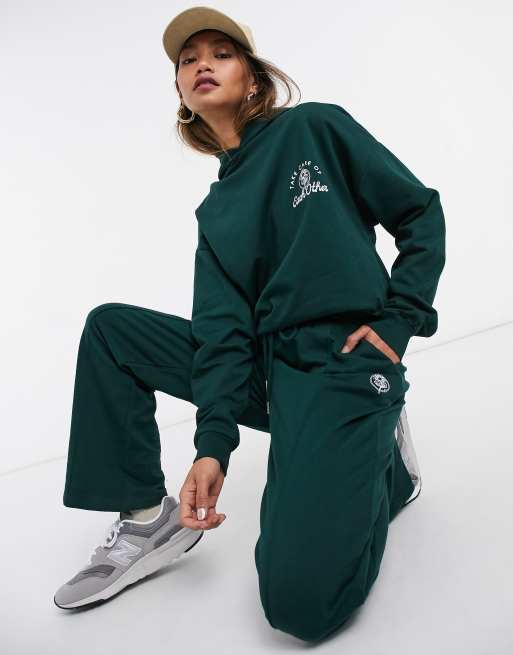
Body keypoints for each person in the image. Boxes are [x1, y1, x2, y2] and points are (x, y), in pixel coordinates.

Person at [54, 5, 446, 643]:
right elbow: (222, 336)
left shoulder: (315, 128)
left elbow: (420, 213)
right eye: (188, 61)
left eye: (221, 53)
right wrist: (212, 447)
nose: (202, 64)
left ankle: (384, 465)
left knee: (300, 608)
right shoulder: (216, 213)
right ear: (181, 93)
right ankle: (148, 518)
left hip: (345, 365)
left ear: (253, 77)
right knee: (111, 330)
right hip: (270, 371)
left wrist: (400, 321)